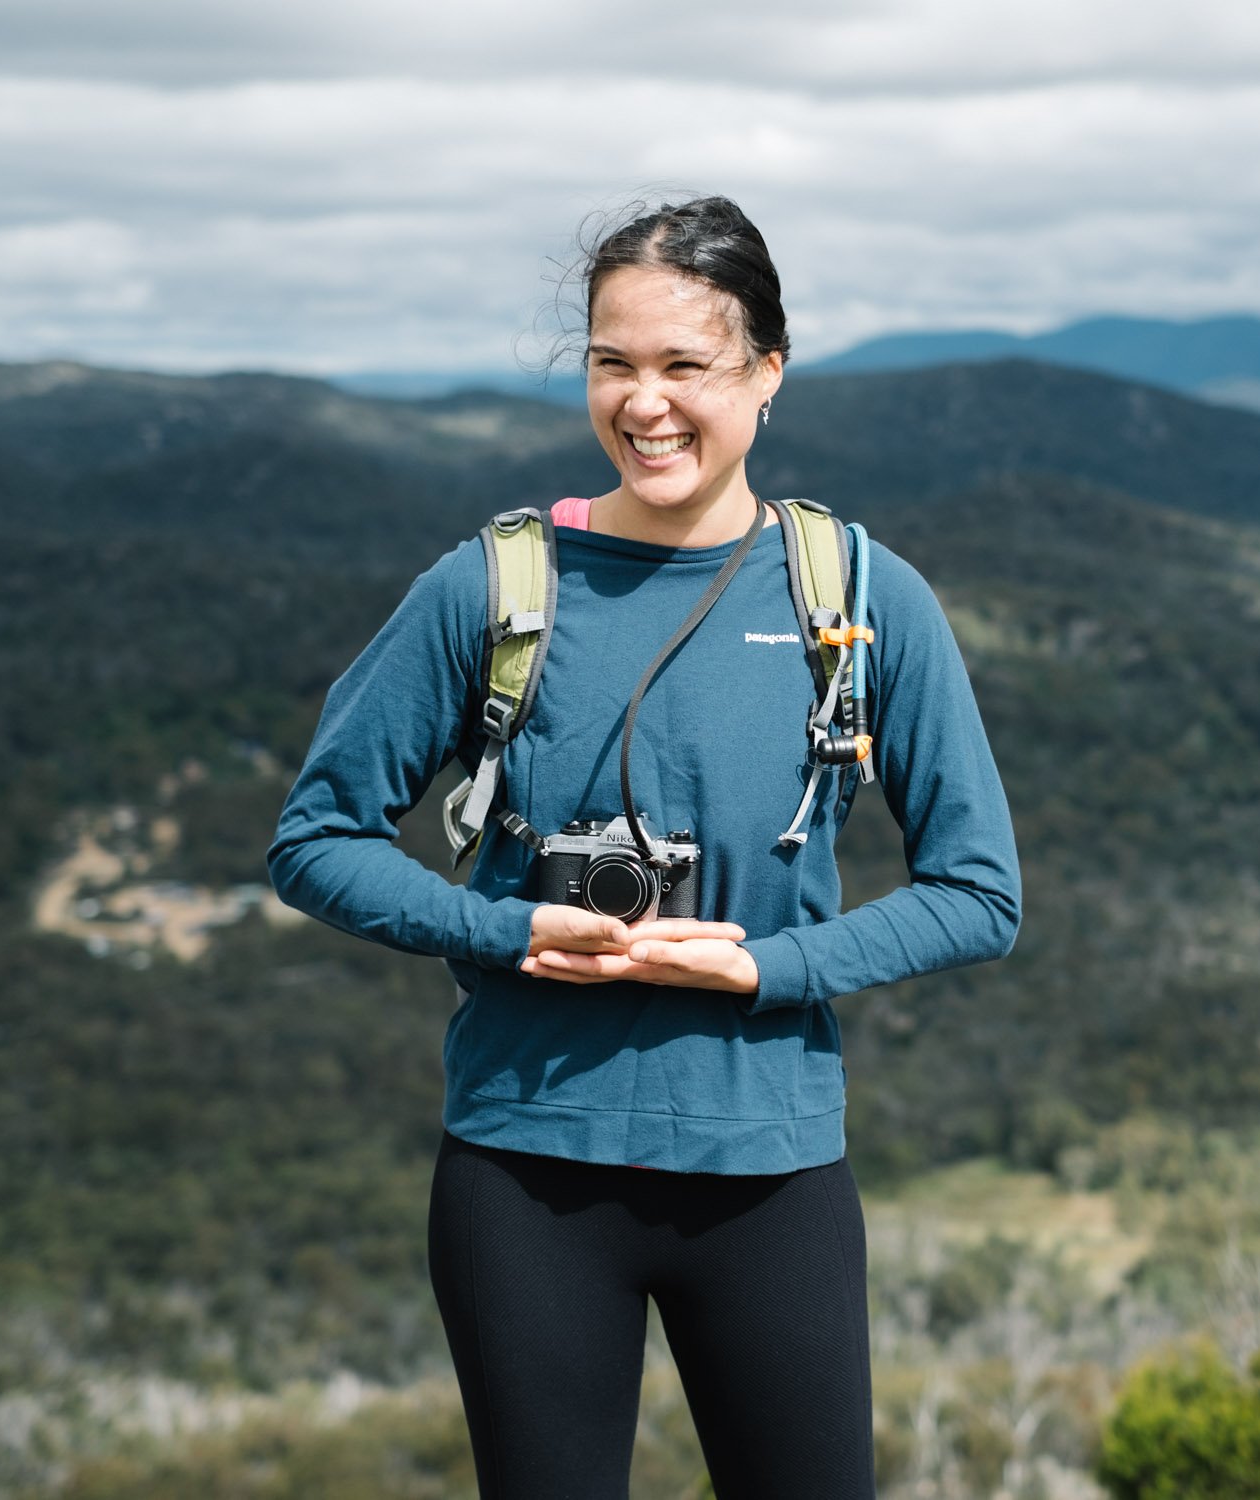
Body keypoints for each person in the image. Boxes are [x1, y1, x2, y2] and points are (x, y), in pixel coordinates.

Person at [267, 195, 1021, 1499]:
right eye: (614, 362)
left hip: (767, 1174)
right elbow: (317, 839)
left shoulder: (856, 597)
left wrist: (762, 971)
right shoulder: (493, 590)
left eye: (686, 364)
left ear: (766, 372)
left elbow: (978, 893)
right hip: (525, 1172)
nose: (645, 402)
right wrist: (505, 929)